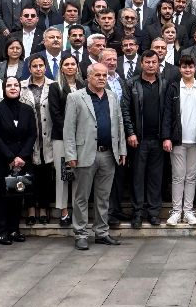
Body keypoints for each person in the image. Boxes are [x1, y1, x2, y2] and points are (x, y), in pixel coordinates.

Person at [65, 63, 126, 249]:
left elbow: (119, 124)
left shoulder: (113, 96)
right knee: (81, 196)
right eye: (97, 75)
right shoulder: (75, 97)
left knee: (103, 196)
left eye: (104, 75)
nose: (101, 78)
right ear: (88, 77)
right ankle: (81, 234)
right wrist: (70, 155)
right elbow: (69, 128)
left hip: (108, 154)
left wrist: (122, 149)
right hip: (84, 153)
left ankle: (102, 232)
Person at [0, 76, 36, 245]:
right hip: (1, 160)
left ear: (20, 89)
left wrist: (22, 156)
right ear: (4, 88)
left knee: (17, 196)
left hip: (22, 160)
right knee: (0, 197)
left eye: (16, 85)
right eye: (9, 85)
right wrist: (10, 157)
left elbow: (31, 135)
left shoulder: (27, 110)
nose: (13, 88)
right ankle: (0, 231)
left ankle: (14, 229)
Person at [122, 50, 168, 228]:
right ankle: (137, 214)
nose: (150, 65)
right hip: (138, 140)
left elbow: (168, 113)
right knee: (137, 178)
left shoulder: (164, 84)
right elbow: (125, 110)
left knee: (155, 178)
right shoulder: (131, 84)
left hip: (158, 140)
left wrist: (166, 136)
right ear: (141, 64)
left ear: (158, 64)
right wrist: (130, 132)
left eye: (153, 62)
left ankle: (154, 213)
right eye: (147, 62)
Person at [161, 55, 196, 226]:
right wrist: (166, 137)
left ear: (195, 68)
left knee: (191, 177)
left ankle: (188, 211)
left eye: (191, 66)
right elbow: (167, 114)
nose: (188, 70)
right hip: (177, 139)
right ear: (180, 68)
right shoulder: (173, 87)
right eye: (184, 67)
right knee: (178, 176)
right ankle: (175, 211)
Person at [47, 54, 83, 226]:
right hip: (61, 138)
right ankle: (63, 212)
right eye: (66, 64)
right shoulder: (55, 87)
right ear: (61, 68)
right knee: (63, 175)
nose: (70, 67)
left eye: (73, 64)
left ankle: (77, 210)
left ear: (77, 67)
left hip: (81, 139)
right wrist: (70, 133)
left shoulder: (83, 86)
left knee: (78, 174)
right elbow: (55, 114)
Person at [20, 55, 55, 226]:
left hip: (48, 136)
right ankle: (31, 208)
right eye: (35, 66)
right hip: (29, 137)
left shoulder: (53, 86)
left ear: (46, 67)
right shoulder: (22, 86)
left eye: (41, 65)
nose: (38, 69)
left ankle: (43, 207)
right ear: (30, 68)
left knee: (46, 175)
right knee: (30, 174)